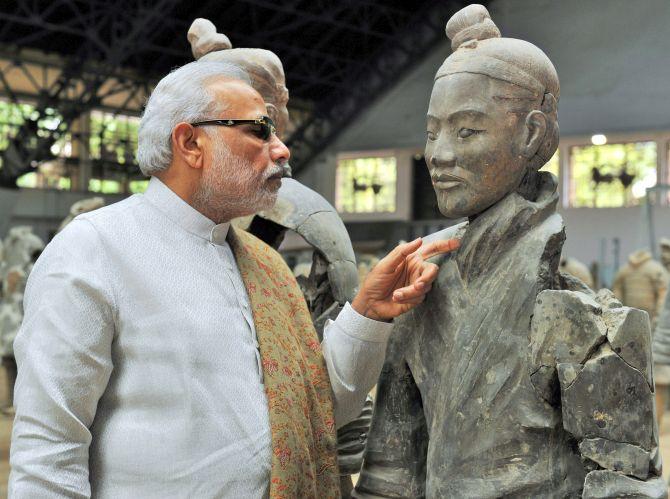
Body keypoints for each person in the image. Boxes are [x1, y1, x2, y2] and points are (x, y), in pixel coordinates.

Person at [8, 60, 457, 498]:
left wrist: (367, 315)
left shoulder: (264, 265)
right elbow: (50, 449)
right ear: (189, 143)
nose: (281, 149)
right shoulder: (95, 250)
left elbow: (314, 413)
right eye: (259, 130)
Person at [354, 5, 664, 498]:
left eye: (467, 130)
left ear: (532, 134)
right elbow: (390, 473)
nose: (438, 154)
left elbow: (626, 484)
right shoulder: (423, 286)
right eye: (432, 132)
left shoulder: (577, 314)